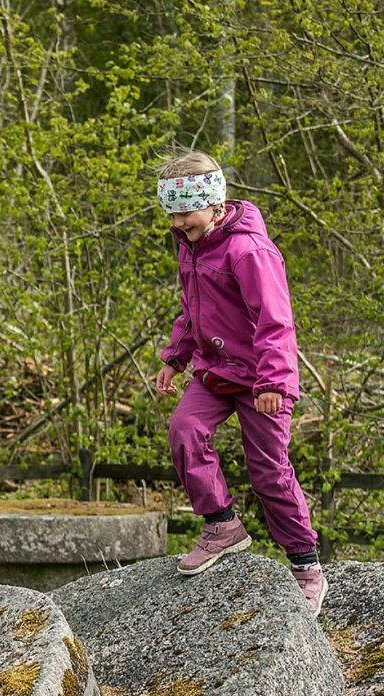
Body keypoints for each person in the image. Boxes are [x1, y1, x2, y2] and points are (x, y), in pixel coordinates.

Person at [153, 150, 328, 612]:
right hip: (215, 369)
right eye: (171, 214)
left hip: (262, 378)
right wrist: (175, 357)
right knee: (184, 431)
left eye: (185, 214)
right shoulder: (191, 245)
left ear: (214, 206)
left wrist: (273, 382)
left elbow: (276, 321)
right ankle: (222, 523)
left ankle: (306, 565)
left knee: (269, 471)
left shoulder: (249, 251)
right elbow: (192, 310)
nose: (177, 224)